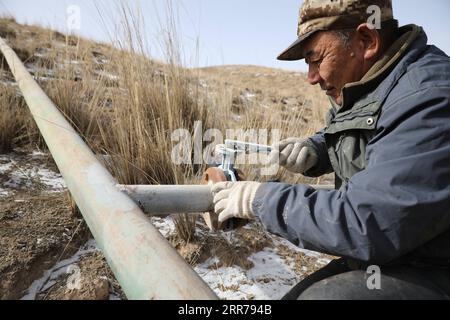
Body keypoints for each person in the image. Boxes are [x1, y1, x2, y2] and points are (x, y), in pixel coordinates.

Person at [212, 0, 450, 300]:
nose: (312, 77)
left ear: (367, 40)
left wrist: (259, 199)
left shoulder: (430, 97)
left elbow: (368, 223)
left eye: (316, 59)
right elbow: (372, 131)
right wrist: (316, 150)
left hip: (431, 266)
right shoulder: (372, 83)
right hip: (396, 256)